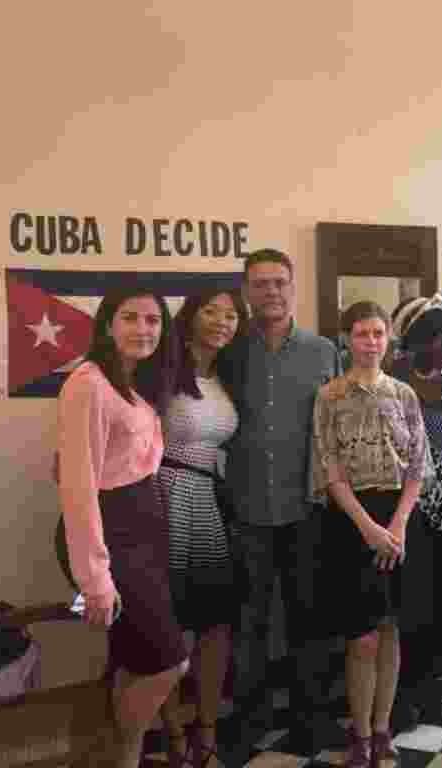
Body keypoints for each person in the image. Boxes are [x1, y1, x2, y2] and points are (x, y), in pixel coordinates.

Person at [215, 248, 343, 758]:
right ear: (246, 291)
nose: (270, 291)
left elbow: (338, 427)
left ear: (293, 287)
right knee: (250, 624)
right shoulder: (228, 352)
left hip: (307, 510)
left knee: (307, 621)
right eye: (260, 283)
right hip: (245, 511)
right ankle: (249, 720)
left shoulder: (322, 351)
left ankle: (309, 718)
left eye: (279, 282)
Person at [57, 287, 189, 768]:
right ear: (107, 324)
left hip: (144, 533)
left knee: (134, 659)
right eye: (130, 318)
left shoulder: (132, 385)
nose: (143, 329)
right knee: (168, 662)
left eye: (153, 320)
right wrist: (94, 580)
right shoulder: (87, 383)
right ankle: (119, 754)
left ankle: (119, 756)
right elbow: (77, 486)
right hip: (113, 536)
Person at [310, 301, 434, 768]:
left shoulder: (404, 394)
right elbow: (330, 470)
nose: (371, 341)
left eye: (378, 333)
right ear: (347, 339)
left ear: (389, 339)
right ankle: (359, 733)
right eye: (362, 333)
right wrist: (369, 529)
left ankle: (383, 729)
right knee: (361, 636)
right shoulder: (329, 396)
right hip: (351, 521)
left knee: (390, 629)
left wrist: (397, 525)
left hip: (400, 520)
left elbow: (419, 466)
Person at [156, 288, 246, 767]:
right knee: (167, 622)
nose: (221, 321)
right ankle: (172, 735)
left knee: (215, 623)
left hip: (208, 499)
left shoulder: (226, 375)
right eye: (211, 311)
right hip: (165, 495)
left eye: (231, 314)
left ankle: (205, 731)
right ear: (189, 317)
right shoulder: (162, 371)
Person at [389, 294, 442, 732]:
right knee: (406, 602)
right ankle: (400, 691)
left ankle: (432, 684)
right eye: (433, 336)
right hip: (404, 509)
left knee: (441, 599)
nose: (441, 344)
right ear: (414, 341)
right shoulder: (393, 380)